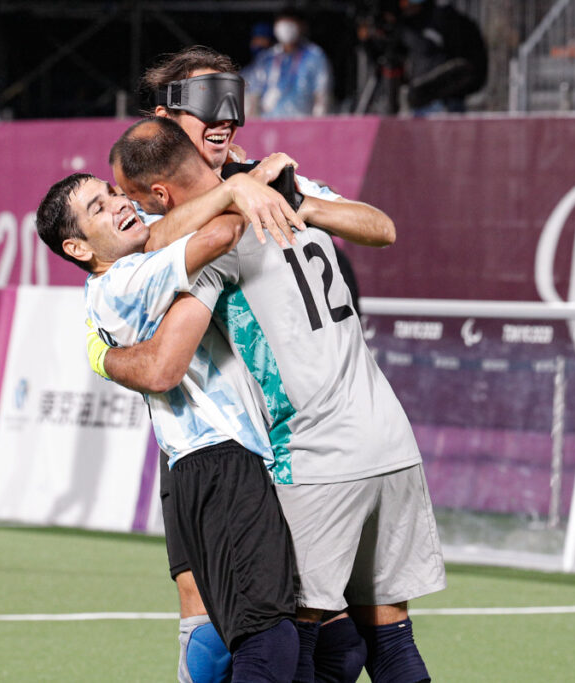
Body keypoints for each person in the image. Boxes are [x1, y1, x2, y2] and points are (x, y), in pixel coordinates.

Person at [107, 117, 446, 683]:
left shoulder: (212, 244)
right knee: (390, 640)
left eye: (136, 200)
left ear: (161, 195)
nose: (134, 212)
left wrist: (105, 355)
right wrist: (286, 199)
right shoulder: (292, 192)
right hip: (390, 440)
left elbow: (148, 262)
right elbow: (382, 227)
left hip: (312, 451)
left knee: (294, 646)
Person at [137, 46, 392, 683]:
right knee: (211, 632)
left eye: (230, 98)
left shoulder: (272, 178)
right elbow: (145, 245)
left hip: (285, 440)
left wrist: (298, 201)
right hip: (198, 442)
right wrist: (233, 192)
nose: (223, 116)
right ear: (166, 116)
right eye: (202, 102)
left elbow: (378, 225)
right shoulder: (150, 191)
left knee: (326, 634)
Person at [36, 165, 304, 682]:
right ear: (77, 249)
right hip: (220, 460)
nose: (119, 203)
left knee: (219, 635)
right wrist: (235, 186)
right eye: (98, 207)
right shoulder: (127, 279)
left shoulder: (114, 287)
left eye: (113, 193)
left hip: (197, 465)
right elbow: (224, 233)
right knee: (268, 638)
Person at [395, 0, 488, 115]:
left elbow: (471, 65)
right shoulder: (409, 27)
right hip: (420, 101)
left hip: (446, 101)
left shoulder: (446, 21)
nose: (404, 7)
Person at [243, 7, 332, 118]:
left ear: (302, 26)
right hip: (270, 128)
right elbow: (254, 96)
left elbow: (321, 95)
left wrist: (318, 126)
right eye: (282, 22)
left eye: (291, 22)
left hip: (303, 125)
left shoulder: (315, 56)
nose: (286, 27)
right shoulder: (267, 58)